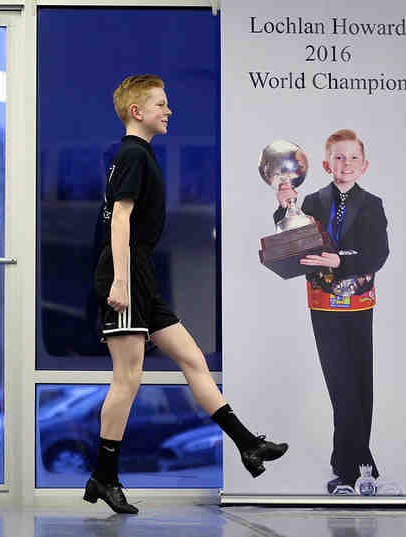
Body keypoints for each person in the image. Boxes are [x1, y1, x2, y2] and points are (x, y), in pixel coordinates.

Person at [84, 74, 288, 514]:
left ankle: (248, 444)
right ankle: (105, 475)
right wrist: (120, 280)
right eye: (161, 104)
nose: (169, 110)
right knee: (128, 378)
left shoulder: (132, 155)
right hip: (127, 271)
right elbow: (119, 220)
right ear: (137, 111)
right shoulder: (132, 153)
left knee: (194, 359)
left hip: (141, 273)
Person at [276, 129, 389, 495]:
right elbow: (293, 237)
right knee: (340, 385)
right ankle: (360, 466)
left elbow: (377, 253)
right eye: (339, 157)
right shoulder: (312, 201)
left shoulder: (372, 204)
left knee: (361, 385)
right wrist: (285, 205)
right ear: (326, 164)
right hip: (323, 303)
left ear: (365, 165)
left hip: (359, 303)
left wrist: (340, 259)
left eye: (353, 157)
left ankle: (345, 468)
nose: (346, 164)